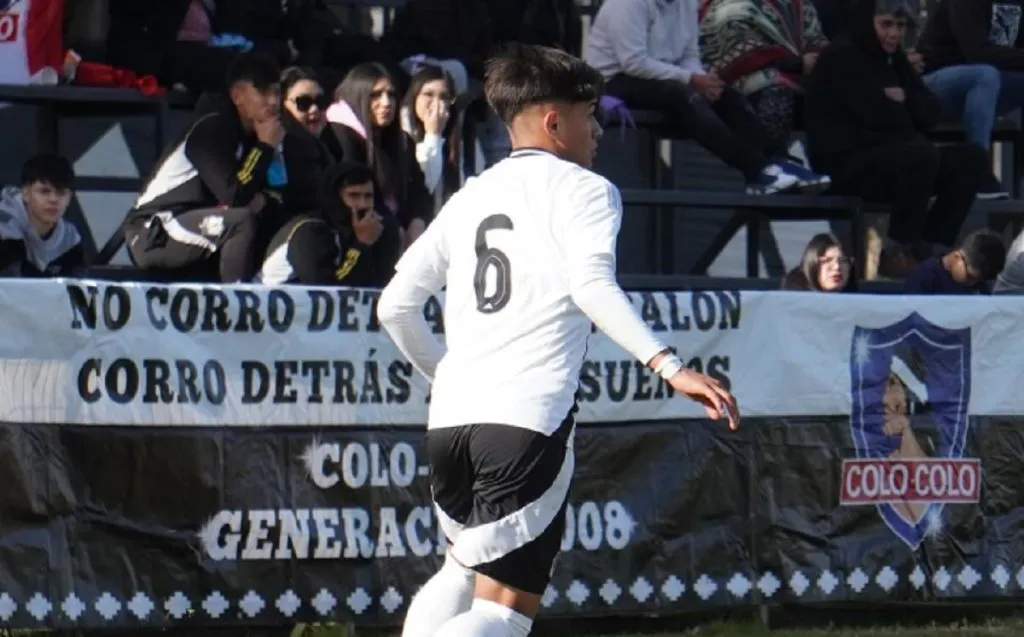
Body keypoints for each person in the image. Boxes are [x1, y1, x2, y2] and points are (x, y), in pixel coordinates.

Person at [376, 44, 740, 637]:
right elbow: (591, 286)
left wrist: (445, 377)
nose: (597, 129)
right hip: (525, 419)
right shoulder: (586, 190)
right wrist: (670, 365)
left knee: (461, 569)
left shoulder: (471, 194)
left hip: (450, 424)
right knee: (502, 613)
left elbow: (395, 307)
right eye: (589, 114)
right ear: (554, 121)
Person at [803, 0, 988, 278]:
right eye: (886, 24)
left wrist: (902, 101)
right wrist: (899, 108)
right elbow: (880, 118)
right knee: (920, 155)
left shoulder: (894, 59)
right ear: (868, 22)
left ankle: (927, 250)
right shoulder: (841, 57)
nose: (894, 34)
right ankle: (896, 252)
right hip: (847, 166)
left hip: (898, 160)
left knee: (971, 158)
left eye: (900, 26)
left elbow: (930, 113)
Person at [584, 0, 830, 194]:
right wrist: (691, 79)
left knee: (725, 95)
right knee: (682, 96)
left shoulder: (687, 3)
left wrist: (703, 80)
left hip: (667, 75)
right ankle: (757, 170)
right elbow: (634, 62)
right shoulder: (628, 4)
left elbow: (689, 53)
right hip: (616, 79)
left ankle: (777, 161)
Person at [124, 52, 287, 282]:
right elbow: (236, 196)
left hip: (194, 224)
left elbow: (277, 196)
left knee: (259, 223)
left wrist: (262, 195)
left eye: (277, 93)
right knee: (241, 222)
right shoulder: (212, 127)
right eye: (262, 91)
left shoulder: (260, 135)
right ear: (237, 95)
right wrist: (264, 148)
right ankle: (236, 307)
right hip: (153, 229)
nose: (273, 102)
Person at [257, 161, 401, 287]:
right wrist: (361, 246)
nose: (362, 204)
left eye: (368, 197)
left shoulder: (372, 229)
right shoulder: (310, 231)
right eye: (353, 196)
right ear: (335, 197)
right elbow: (326, 293)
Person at [0, 154, 84, 277]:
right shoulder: (4, 223)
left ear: (70, 198)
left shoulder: (69, 238)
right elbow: (11, 281)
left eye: (61, 193)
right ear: (26, 193)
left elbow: (77, 288)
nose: (54, 200)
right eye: (44, 191)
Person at [904, 228, 1005, 293]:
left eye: (979, 280)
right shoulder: (925, 277)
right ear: (957, 257)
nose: (973, 283)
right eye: (970, 277)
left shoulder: (981, 284)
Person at [780, 233, 855, 291]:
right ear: (812, 264)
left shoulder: (858, 301)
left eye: (843, 261)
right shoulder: (793, 299)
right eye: (827, 260)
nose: (837, 267)